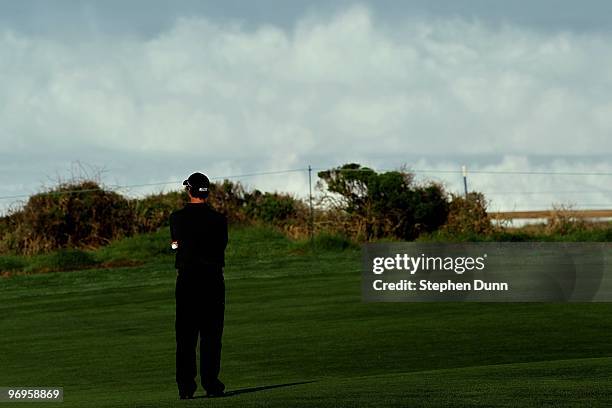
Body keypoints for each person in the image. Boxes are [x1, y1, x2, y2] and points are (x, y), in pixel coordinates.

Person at [169, 172, 228, 399]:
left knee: (185, 337)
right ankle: (211, 384)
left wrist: (179, 246)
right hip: (213, 280)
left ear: (189, 190)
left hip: (187, 280)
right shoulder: (219, 220)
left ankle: (186, 387)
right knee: (212, 336)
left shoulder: (177, 218)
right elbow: (221, 246)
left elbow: (175, 245)